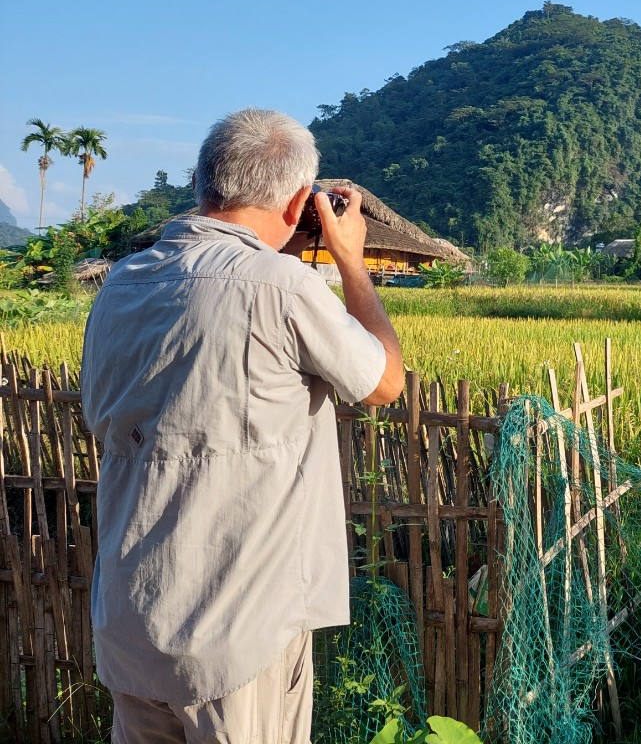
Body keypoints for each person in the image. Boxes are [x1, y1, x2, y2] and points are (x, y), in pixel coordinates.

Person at [81, 108, 404, 744]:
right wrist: (351, 261)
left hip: (129, 623)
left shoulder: (120, 286)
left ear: (204, 186)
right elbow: (383, 383)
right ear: (295, 204)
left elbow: (103, 416)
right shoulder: (280, 285)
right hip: (236, 638)